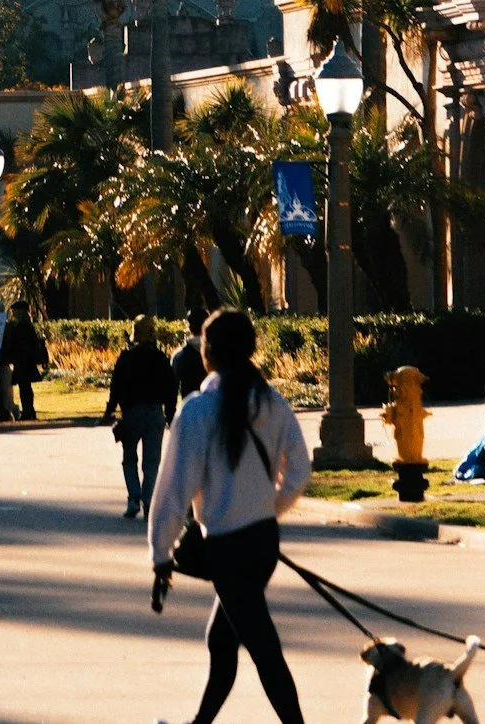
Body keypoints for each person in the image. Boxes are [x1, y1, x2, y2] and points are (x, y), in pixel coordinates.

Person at [148, 307, 311, 724]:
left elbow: (173, 490)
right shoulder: (271, 402)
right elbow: (299, 471)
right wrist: (265, 509)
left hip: (227, 549)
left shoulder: (198, 411)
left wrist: (161, 552)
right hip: (263, 542)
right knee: (222, 640)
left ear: (209, 353)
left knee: (263, 649)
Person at [106, 312, 176, 520]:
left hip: (132, 412)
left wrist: (110, 410)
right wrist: (170, 413)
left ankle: (133, 497)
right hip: (155, 412)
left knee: (129, 458)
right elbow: (171, 387)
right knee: (151, 462)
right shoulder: (160, 358)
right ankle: (148, 500)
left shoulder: (127, 358)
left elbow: (116, 387)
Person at [2, 299, 47, 423]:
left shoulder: (21, 326)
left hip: (23, 361)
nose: (13, 313)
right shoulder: (26, 324)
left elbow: (19, 343)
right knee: (26, 387)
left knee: (24, 387)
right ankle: (29, 411)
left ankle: (28, 412)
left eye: (14, 310)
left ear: (20, 311)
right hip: (26, 360)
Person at [172, 308, 207, 403]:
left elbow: (173, 385)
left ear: (189, 327)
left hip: (189, 405)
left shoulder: (179, 355)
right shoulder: (217, 353)